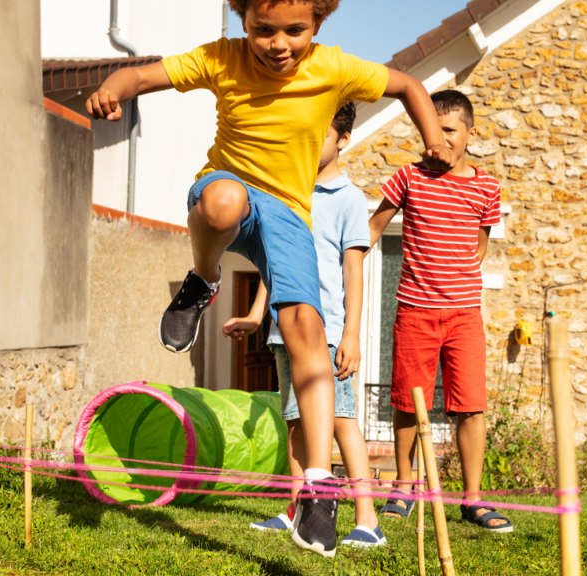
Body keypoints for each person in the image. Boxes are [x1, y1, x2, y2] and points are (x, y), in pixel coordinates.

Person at [86, 0, 454, 556]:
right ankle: (203, 280)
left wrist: (433, 138)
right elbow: (142, 73)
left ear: (319, 23)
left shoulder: (333, 67)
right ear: (242, 21)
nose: (278, 43)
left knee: (307, 328)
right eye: (263, 30)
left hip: (289, 214)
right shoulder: (224, 59)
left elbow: (406, 85)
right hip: (227, 187)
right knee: (224, 202)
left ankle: (320, 484)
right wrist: (114, 84)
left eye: (294, 30)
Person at [223, 103, 383, 548]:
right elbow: (278, 264)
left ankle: (368, 519)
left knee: (340, 421)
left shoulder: (349, 199)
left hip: (327, 333)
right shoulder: (288, 194)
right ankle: (299, 509)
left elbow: (354, 270)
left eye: (321, 136)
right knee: (295, 421)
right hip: (283, 329)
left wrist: (351, 333)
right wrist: (258, 315)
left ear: (343, 140)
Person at [367, 90, 512, 533]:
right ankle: (405, 486)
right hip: (414, 311)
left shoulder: (486, 188)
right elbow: (372, 230)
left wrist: (454, 285)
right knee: (409, 402)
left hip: (464, 315)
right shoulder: (408, 177)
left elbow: (479, 247)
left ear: (470, 133)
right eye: (432, 130)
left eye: (449, 130)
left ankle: (473, 500)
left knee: (470, 404)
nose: (439, 139)